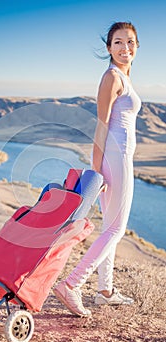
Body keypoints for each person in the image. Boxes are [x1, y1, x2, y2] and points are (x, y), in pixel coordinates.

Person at [53, 21, 142, 317]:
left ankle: (105, 290)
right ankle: (72, 284)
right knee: (116, 228)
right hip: (114, 158)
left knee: (110, 226)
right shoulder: (111, 77)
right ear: (108, 48)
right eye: (118, 42)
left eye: (129, 42)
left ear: (137, 47)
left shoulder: (124, 78)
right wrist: (97, 171)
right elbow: (101, 124)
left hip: (120, 158)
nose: (124, 48)